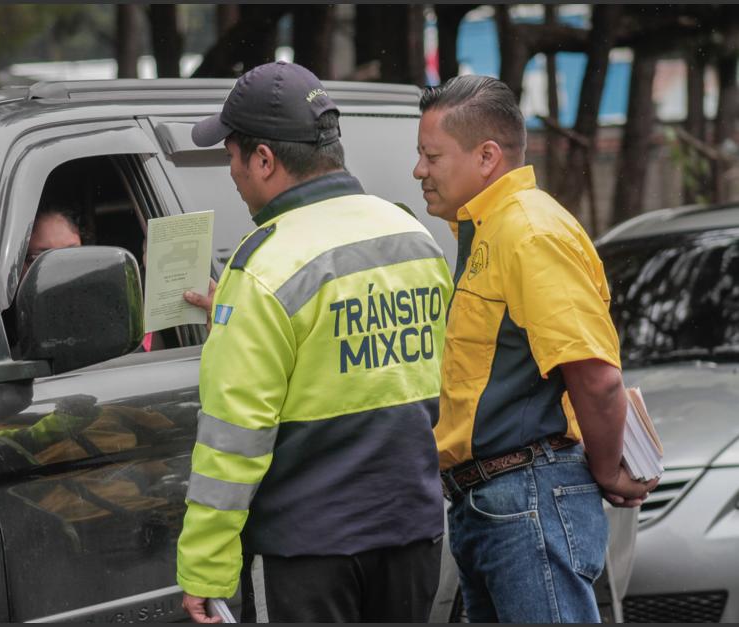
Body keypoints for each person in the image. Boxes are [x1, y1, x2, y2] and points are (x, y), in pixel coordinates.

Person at [175, 61, 454, 623]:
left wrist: (205, 572)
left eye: (230, 155)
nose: (230, 172)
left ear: (263, 160)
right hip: (414, 536)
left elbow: (232, 442)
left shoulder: (262, 267)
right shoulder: (413, 238)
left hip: (308, 553)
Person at [414, 75, 658, 622]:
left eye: (431, 156)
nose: (419, 171)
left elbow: (595, 375)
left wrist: (607, 468)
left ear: (487, 156)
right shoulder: (486, 229)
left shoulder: (529, 231)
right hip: (495, 503)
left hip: (529, 497)